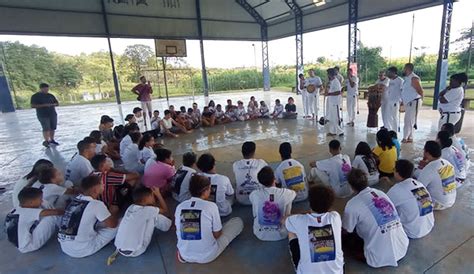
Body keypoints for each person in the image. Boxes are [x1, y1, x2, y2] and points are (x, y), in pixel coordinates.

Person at [342, 169, 408, 268]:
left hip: (378, 257)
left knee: (345, 238)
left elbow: (347, 229)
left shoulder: (352, 204)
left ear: (351, 186)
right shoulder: (381, 193)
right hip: (402, 246)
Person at [175, 175, 244, 264]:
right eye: (209, 189)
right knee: (237, 222)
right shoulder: (211, 206)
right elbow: (217, 235)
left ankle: (188, 253)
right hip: (207, 255)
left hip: (184, 255)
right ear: (206, 190)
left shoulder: (180, 206)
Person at [285, 185, 344, 274]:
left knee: (290, 229)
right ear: (330, 204)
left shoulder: (299, 220)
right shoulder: (335, 217)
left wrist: (304, 214)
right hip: (337, 272)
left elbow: (284, 220)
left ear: (310, 203)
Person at [58, 175, 119, 258]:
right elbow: (113, 225)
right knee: (120, 223)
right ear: (95, 189)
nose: (104, 185)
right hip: (82, 249)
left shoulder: (75, 200)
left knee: (95, 221)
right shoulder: (97, 204)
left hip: (65, 247)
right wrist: (113, 212)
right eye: (102, 184)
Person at [113, 187, 171, 258]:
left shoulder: (131, 207)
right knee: (154, 217)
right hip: (136, 251)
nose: (154, 197)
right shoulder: (147, 210)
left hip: (119, 248)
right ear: (145, 199)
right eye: (152, 195)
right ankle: (168, 225)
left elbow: (152, 208)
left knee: (148, 216)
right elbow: (165, 210)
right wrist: (158, 194)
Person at [5, 187, 64, 253]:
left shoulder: (15, 209)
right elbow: (56, 212)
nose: (41, 201)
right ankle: (64, 230)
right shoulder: (28, 212)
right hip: (29, 246)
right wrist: (67, 211)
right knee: (51, 217)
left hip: (19, 243)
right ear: (31, 203)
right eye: (40, 199)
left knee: (44, 208)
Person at [387, 160, 435, 239]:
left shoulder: (395, 190)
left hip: (412, 232)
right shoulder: (419, 184)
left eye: (394, 170)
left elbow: (386, 207)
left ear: (397, 173)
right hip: (429, 225)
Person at [250, 166, 296, 241]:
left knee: (257, 202)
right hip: (282, 233)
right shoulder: (284, 192)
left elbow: (252, 200)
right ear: (274, 178)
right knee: (288, 199)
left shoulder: (254, 194)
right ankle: (285, 223)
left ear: (260, 182)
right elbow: (294, 194)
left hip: (260, 234)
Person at [417, 141, 456, 210]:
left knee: (413, 187)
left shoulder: (429, 169)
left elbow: (419, 189)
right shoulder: (447, 163)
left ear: (427, 153)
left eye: (424, 150)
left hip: (439, 203)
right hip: (452, 200)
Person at [30, 83, 59, 148]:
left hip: (52, 113)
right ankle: (46, 141)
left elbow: (57, 103)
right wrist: (44, 105)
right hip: (43, 115)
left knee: (53, 127)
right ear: (41, 89)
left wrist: (53, 104)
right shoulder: (35, 96)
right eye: (45, 89)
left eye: (47, 89)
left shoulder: (50, 95)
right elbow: (33, 105)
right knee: (46, 128)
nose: (47, 90)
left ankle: (52, 139)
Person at [401, 63, 423, 143]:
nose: (403, 70)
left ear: (408, 69)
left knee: (408, 120)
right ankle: (410, 136)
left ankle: (405, 137)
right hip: (408, 102)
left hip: (413, 102)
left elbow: (420, 91)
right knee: (410, 119)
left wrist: (421, 100)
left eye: (404, 68)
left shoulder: (414, 78)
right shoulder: (407, 78)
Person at [324, 68, 344, 136]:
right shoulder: (331, 81)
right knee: (331, 117)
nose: (327, 75)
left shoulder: (336, 81)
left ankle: (340, 131)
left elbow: (339, 92)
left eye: (328, 74)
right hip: (331, 101)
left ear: (330, 74)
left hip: (335, 102)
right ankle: (333, 131)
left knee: (335, 117)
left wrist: (329, 94)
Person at [384, 67, 404, 131]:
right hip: (389, 100)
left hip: (396, 101)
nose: (388, 74)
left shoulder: (400, 80)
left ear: (393, 72)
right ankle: (389, 129)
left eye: (389, 72)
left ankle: (394, 131)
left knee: (395, 117)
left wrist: (402, 100)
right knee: (388, 116)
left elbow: (402, 91)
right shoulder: (390, 80)